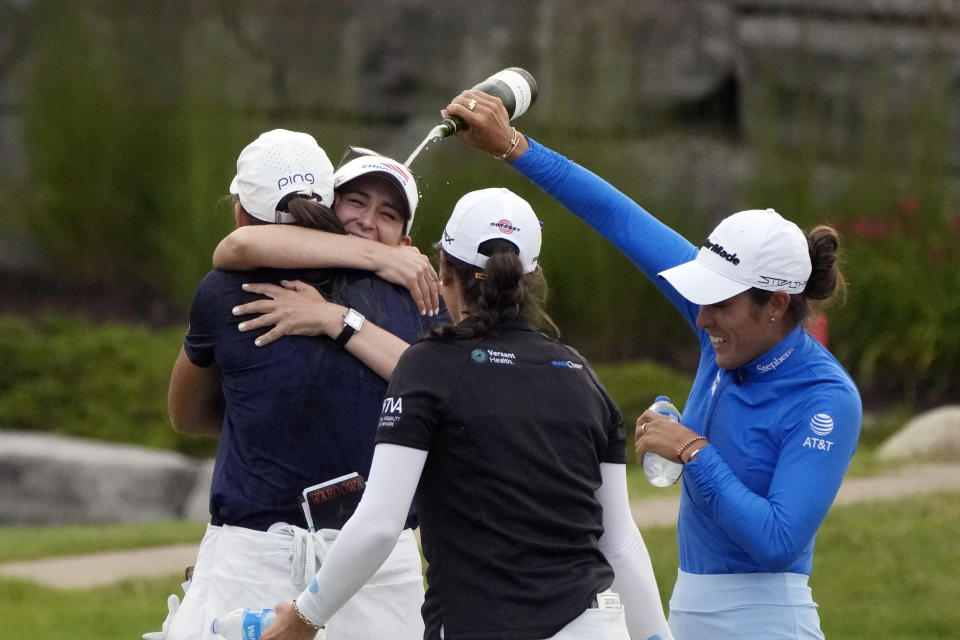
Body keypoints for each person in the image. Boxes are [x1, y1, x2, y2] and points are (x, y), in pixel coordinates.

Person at [444, 92, 862, 640]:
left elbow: (777, 538)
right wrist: (514, 148)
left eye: (720, 304)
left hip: (769, 621)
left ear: (777, 304)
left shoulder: (828, 396)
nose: (703, 318)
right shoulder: (727, 323)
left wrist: (692, 449)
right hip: (687, 608)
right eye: (701, 298)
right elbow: (620, 218)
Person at [258, 188, 673, 640]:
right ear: (531, 279)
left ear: (443, 272)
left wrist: (303, 618)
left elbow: (379, 525)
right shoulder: (581, 373)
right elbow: (620, 542)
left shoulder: (428, 366)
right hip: (595, 625)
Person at [160, 129, 445, 640]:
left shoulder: (224, 290)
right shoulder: (422, 299)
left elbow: (186, 415)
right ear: (328, 207)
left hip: (259, 552)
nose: (366, 220)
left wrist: (335, 321)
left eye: (388, 214)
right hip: (375, 567)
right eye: (356, 202)